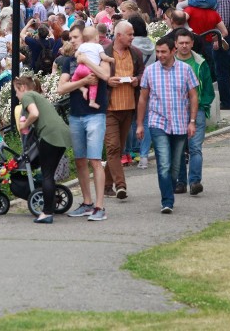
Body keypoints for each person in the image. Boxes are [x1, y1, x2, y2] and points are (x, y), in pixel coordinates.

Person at [136, 37, 199, 214]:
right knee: (163, 163)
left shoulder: (185, 70)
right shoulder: (150, 71)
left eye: (163, 52)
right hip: (158, 122)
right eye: (158, 52)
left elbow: (194, 96)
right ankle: (167, 201)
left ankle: (169, 188)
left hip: (180, 123)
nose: (160, 55)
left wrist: (192, 121)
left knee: (175, 167)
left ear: (173, 51)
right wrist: (140, 124)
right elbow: (143, 98)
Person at [59, 25, 111, 221]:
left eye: (75, 37)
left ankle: (100, 206)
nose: (72, 40)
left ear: (86, 37)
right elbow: (61, 88)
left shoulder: (99, 55)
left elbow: (105, 76)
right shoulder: (69, 62)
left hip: (95, 114)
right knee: (80, 160)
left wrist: (87, 60)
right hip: (76, 114)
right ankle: (87, 202)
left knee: (95, 160)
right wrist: (81, 82)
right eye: (70, 37)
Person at [13, 76, 72, 224]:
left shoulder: (27, 96)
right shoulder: (38, 96)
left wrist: (24, 125)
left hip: (50, 135)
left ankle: (46, 212)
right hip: (62, 134)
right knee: (49, 174)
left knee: (46, 175)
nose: (16, 95)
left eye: (16, 91)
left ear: (22, 88)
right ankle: (50, 207)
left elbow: (34, 114)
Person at [102, 21, 145, 199]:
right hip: (109, 108)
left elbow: (143, 73)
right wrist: (107, 80)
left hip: (128, 107)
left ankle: (105, 185)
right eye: (129, 34)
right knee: (113, 147)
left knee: (118, 150)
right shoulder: (104, 53)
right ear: (119, 35)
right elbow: (95, 73)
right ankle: (120, 185)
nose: (132, 37)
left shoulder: (136, 53)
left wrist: (137, 79)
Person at [173, 29, 215, 194]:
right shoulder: (170, 62)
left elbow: (208, 89)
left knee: (195, 147)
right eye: (181, 43)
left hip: (196, 111)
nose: (184, 46)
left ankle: (195, 181)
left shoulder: (200, 63)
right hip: (176, 111)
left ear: (192, 43)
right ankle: (180, 182)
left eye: (187, 43)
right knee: (179, 149)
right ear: (175, 44)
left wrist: (202, 105)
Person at [70, 26, 115, 109]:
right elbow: (104, 57)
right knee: (93, 84)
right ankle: (92, 101)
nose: (72, 40)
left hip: (80, 68)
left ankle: (83, 89)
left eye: (75, 37)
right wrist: (112, 59)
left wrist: (81, 57)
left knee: (74, 79)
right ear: (97, 37)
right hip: (90, 70)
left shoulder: (83, 46)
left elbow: (76, 55)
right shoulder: (98, 46)